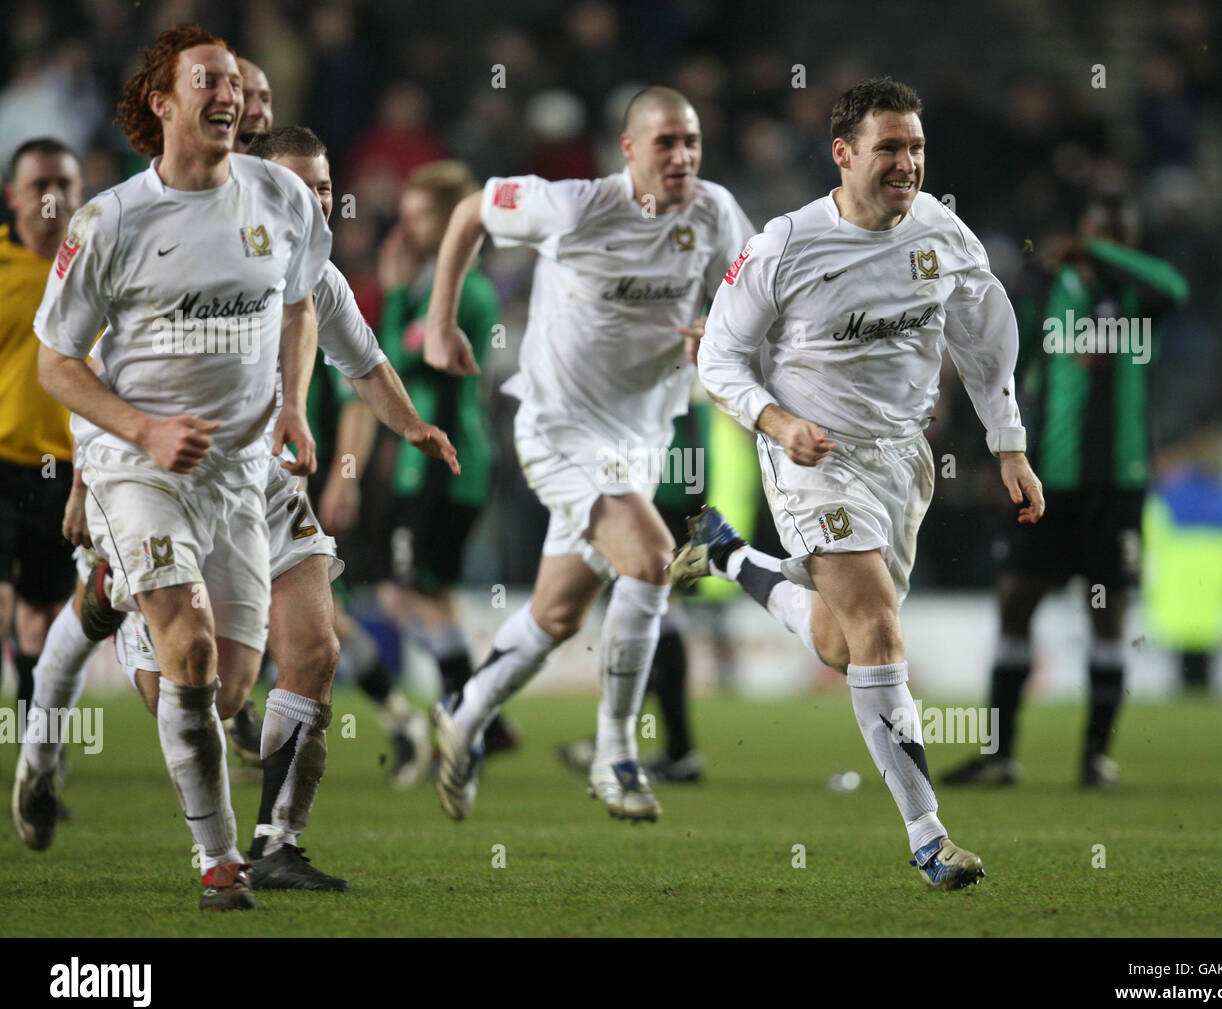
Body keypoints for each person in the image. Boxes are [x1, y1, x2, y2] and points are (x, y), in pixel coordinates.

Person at [681, 76, 1044, 889]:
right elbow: (719, 357)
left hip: (901, 459)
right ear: (844, 154)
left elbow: (987, 348)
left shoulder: (945, 238)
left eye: (915, 146)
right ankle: (928, 834)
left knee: (848, 645)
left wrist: (1009, 446)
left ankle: (731, 558)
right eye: (890, 147)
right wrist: (776, 424)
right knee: (878, 626)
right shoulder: (785, 244)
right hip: (812, 458)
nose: (907, 162)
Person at [26, 24, 331, 911]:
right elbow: (57, 362)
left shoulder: (280, 197)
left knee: (228, 685)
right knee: (189, 651)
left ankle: (113, 598)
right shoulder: (111, 220)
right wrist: (144, 431)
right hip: (139, 467)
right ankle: (219, 860)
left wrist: (294, 403)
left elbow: (302, 304)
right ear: (162, 102)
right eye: (207, 80)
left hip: (237, 475)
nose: (229, 95)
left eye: (234, 82)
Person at [424, 86, 753, 822]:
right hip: (559, 427)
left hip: (641, 440)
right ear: (628, 148)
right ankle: (615, 753)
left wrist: (718, 326)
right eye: (665, 142)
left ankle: (465, 713)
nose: (682, 156)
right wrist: (441, 321)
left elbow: (750, 295)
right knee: (653, 556)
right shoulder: (572, 205)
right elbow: (469, 210)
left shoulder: (715, 213)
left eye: (692, 141)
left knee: (557, 616)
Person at [942, 198, 1187, 788]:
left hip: (1117, 487)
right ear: (1080, 234)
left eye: (1123, 239)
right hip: (1047, 482)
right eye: (1104, 235)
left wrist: (1099, 249)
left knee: (1108, 614)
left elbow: (1174, 287)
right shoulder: (1043, 292)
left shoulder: (1139, 300)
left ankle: (1095, 757)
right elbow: (997, 369)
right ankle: (1000, 755)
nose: (1113, 248)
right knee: (1015, 603)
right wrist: (991, 455)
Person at [373, 159, 517, 775]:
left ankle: (472, 721)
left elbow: (391, 362)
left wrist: (398, 290)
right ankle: (482, 719)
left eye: (419, 216)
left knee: (413, 594)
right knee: (417, 594)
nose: (406, 229)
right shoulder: (439, 283)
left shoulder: (462, 291)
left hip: (446, 459)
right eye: (402, 216)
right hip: (431, 462)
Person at [0, 138, 82, 726]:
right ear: (13, 196)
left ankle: (35, 759)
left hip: (66, 471)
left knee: (42, 617)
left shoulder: (94, 271)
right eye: (39, 186)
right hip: (0, 463)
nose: (53, 198)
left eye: (65, 186)